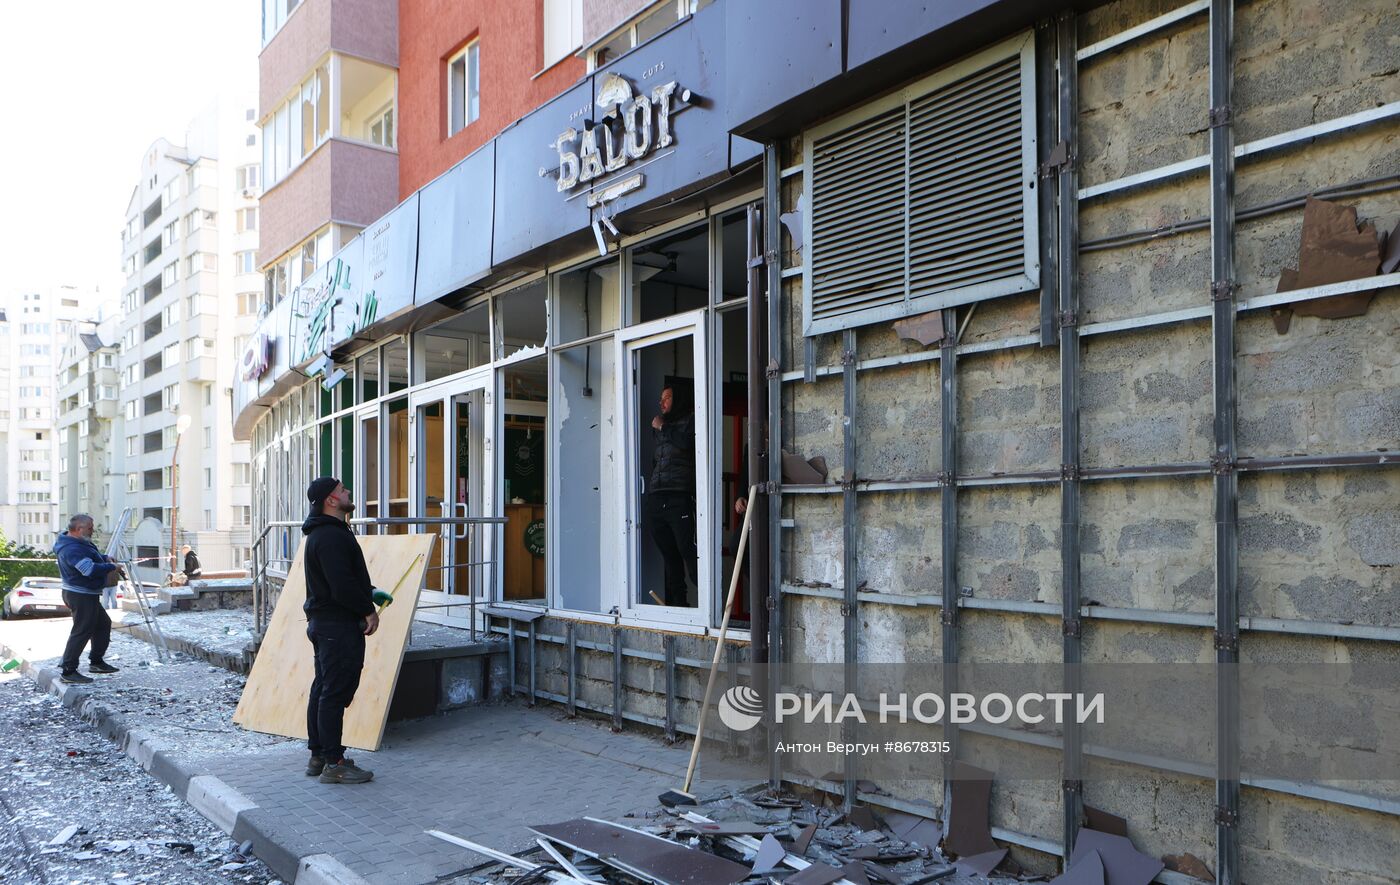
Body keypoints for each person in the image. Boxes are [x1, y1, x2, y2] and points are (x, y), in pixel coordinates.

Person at [302, 477, 379, 785]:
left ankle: (319, 755)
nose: (348, 492)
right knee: (333, 692)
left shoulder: (326, 533)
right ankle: (334, 762)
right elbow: (341, 585)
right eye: (343, 490)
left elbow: (345, 578)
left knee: (323, 688)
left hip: (326, 623)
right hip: (337, 625)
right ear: (331, 501)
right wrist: (366, 609)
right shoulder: (331, 536)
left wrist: (369, 591)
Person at [645, 384, 698, 606]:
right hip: (657, 496)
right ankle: (679, 604)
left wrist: (663, 427)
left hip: (678, 496)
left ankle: (708, 601)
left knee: (687, 549)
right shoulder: (663, 426)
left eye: (667, 397)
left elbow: (687, 444)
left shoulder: (690, 420)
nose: (662, 402)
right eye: (661, 398)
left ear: (678, 399)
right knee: (669, 553)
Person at [53, 515, 122, 685]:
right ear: (78, 529)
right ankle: (68, 670)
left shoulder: (79, 542)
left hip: (86, 593)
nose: (92, 530)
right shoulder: (71, 548)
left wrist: (104, 558)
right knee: (82, 630)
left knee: (103, 624)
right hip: (80, 594)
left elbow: (91, 558)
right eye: (90, 528)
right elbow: (88, 569)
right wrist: (111, 567)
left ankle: (96, 662)